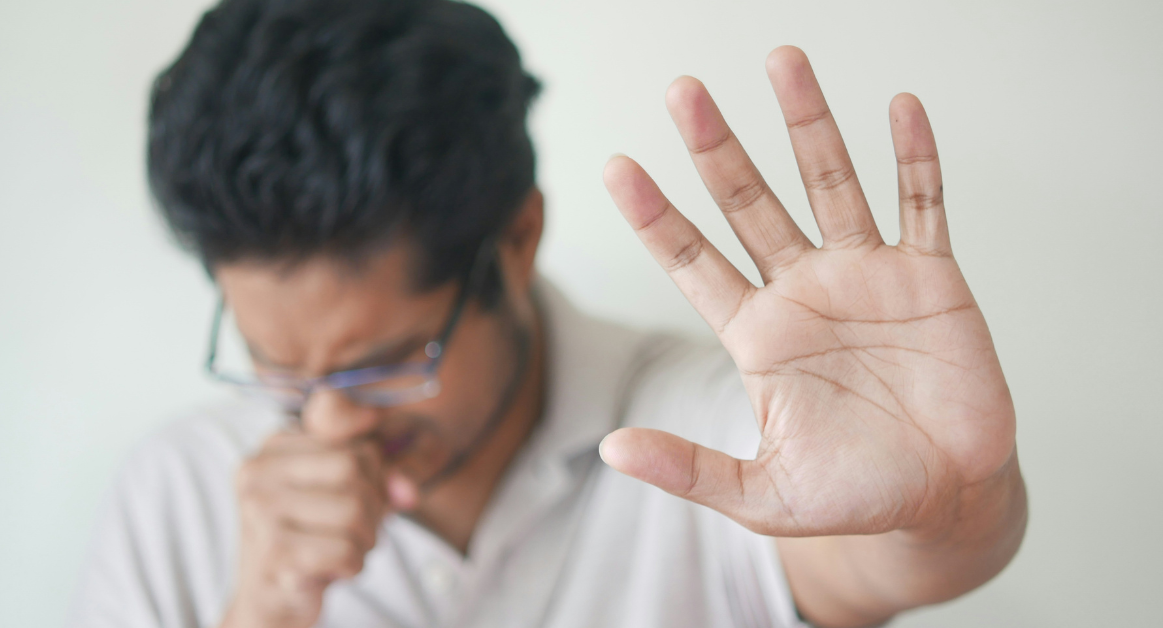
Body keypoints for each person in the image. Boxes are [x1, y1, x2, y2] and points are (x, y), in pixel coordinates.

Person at [69, 0, 1027, 626]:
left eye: (388, 360)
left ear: (518, 239)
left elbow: (889, 562)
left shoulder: (714, 429)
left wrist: (949, 504)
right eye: (277, 366)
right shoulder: (176, 494)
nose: (328, 419)